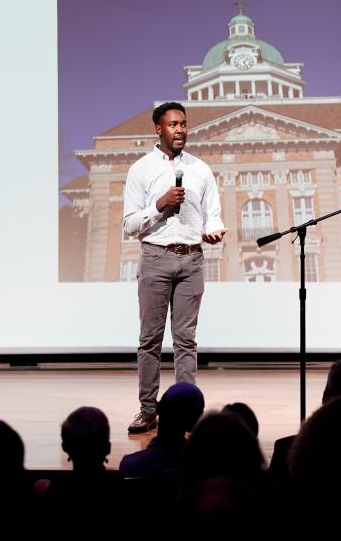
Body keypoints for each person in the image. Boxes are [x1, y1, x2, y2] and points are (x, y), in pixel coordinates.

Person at [123, 101, 227, 433]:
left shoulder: (201, 169)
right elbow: (129, 224)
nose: (180, 129)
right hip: (155, 257)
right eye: (173, 124)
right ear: (158, 129)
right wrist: (159, 205)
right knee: (150, 339)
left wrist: (213, 229)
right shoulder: (141, 170)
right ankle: (148, 409)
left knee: (186, 341)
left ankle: (186, 412)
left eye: (183, 124)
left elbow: (213, 213)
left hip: (192, 259)